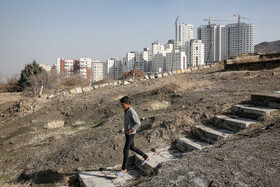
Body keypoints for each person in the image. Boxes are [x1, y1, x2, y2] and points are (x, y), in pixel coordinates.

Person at [116, 96, 150, 176]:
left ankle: (124, 169)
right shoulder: (126, 110)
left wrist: (130, 130)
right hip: (127, 132)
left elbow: (138, 123)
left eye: (123, 105)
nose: (122, 106)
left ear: (128, 103)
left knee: (125, 149)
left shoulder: (132, 112)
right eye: (121, 105)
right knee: (132, 147)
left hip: (131, 133)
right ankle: (146, 157)